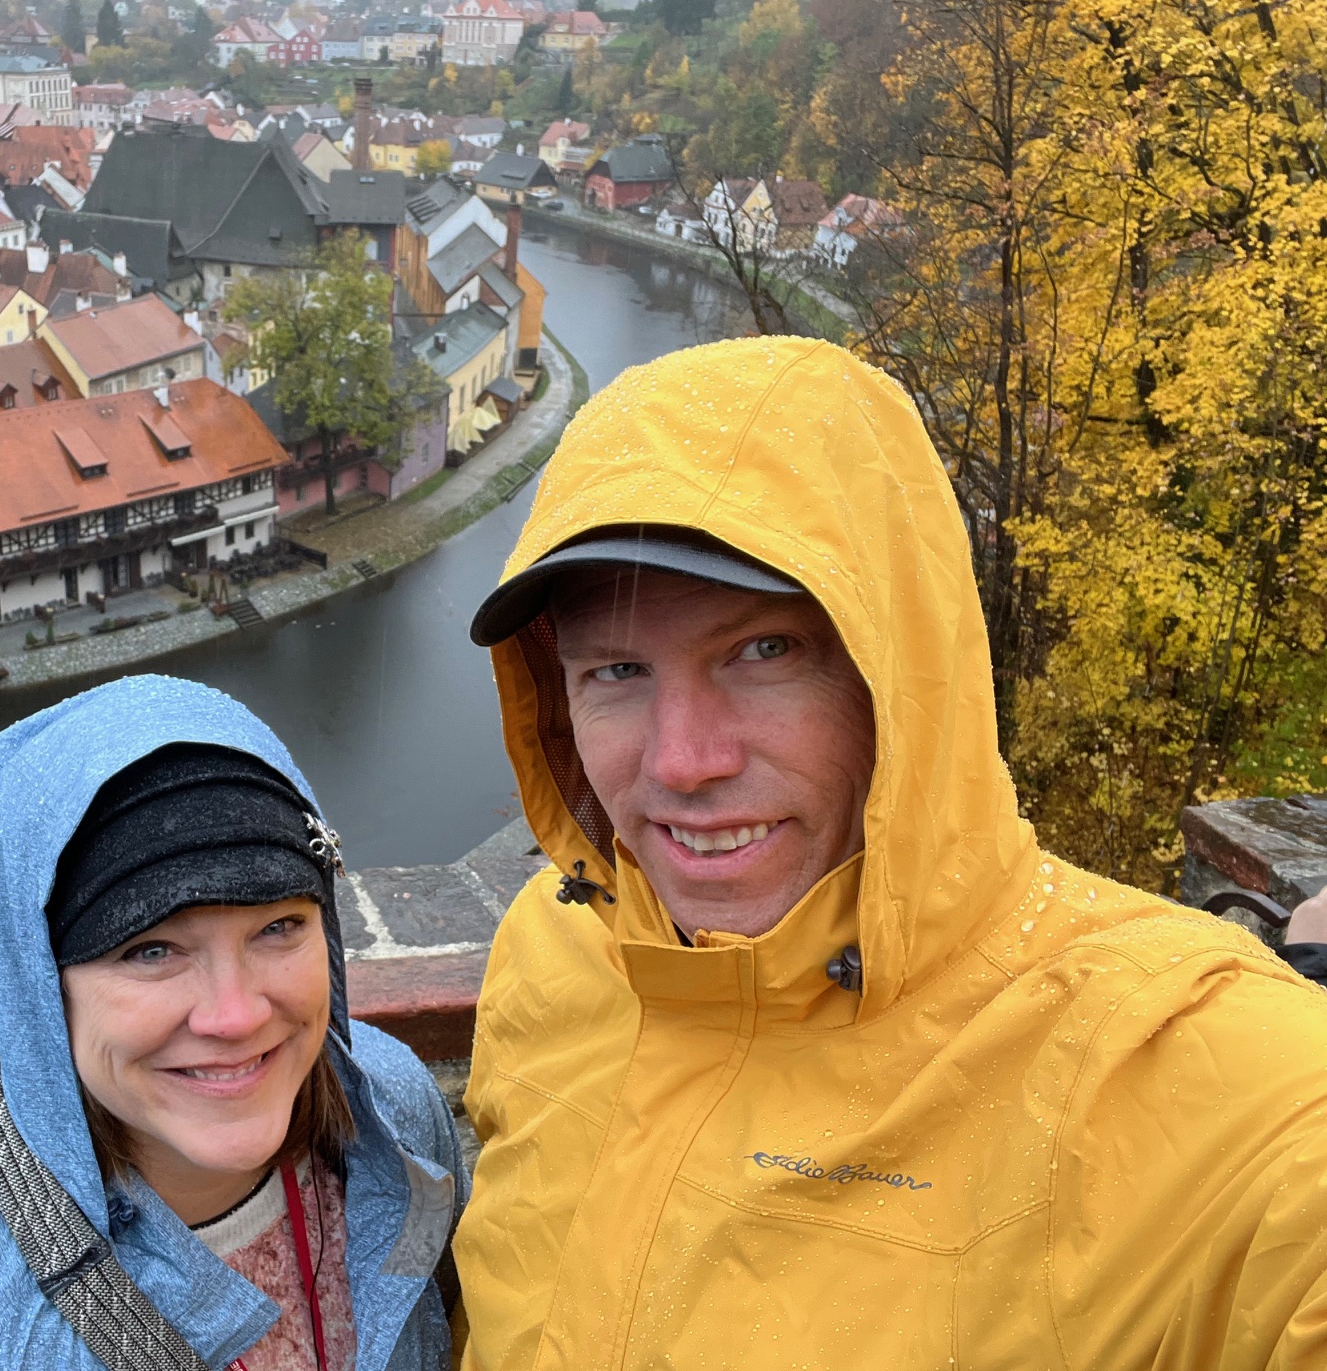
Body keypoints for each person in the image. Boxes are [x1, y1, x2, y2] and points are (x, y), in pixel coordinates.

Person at [455, 336, 1327, 1367]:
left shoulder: (1201, 1086)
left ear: (901, 666)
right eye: (616, 671)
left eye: (763, 652)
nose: (683, 762)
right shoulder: (551, 956)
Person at [0, 675, 467, 1370]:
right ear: (39, 983)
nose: (235, 1015)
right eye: (152, 949)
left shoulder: (397, 1114)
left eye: (276, 928)